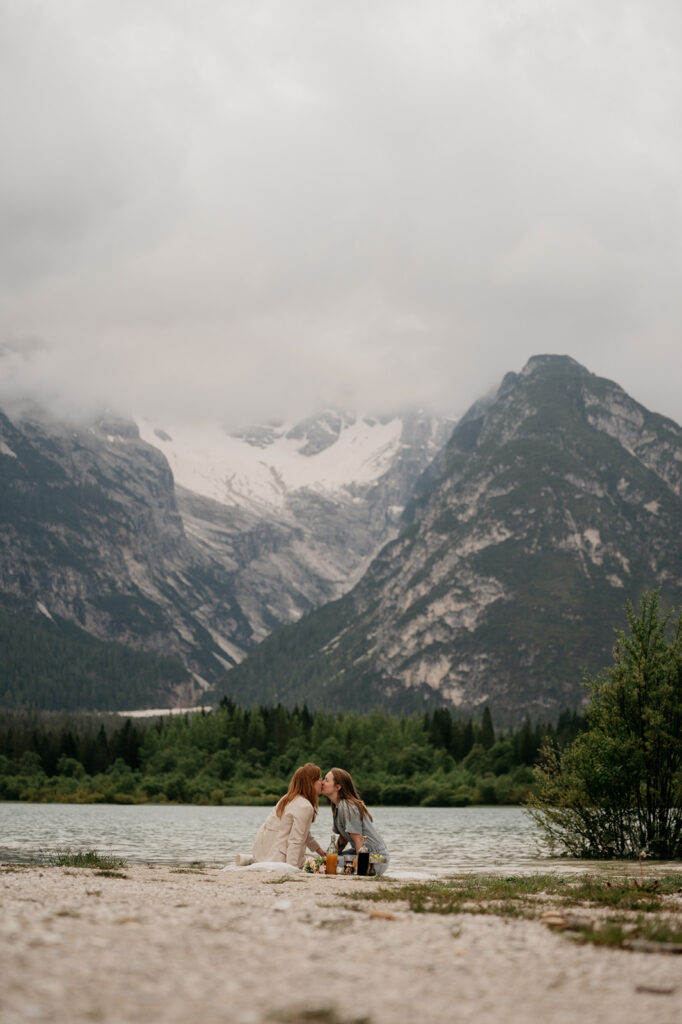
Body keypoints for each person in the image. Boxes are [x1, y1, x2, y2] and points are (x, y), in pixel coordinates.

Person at [251, 762, 327, 868]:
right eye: (319, 779)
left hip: (262, 853)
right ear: (311, 782)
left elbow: (303, 832)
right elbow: (296, 839)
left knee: (312, 858)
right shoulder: (305, 806)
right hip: (278, 857)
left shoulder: (287, 798)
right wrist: (292, 867)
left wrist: (318, 850)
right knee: (313, 862)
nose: (322, 783)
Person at [321, 767, 389, 875]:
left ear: (337, 787)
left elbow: (358, 840)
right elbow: (343, 839)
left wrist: (362, 870)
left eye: (326, 780)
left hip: (375, 859)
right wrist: (330, 856)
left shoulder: (348, 806)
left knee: (327, 863)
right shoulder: (337, 806)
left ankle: (365, 869)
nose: (322, 782)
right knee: (325, 861)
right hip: (359, 853)